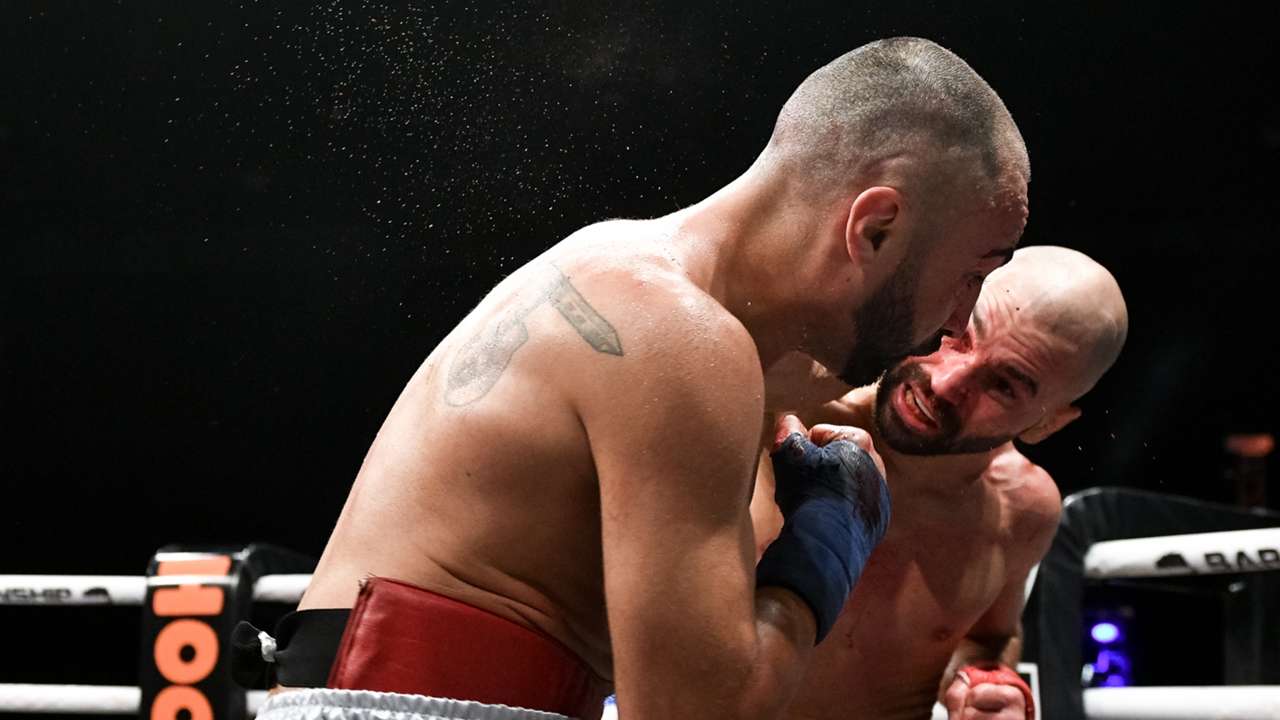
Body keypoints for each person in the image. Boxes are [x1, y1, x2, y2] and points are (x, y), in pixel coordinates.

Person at [250, 37, 1030, 720]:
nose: (960, 318)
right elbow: (700, 713)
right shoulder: (678, 335)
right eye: (973, 273)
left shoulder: (649, 291)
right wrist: (827, 544)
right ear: (876, 227)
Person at [751, 246, 1128, 720]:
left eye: (1005, 384)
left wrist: (988, 686)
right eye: (959, 335)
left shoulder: (1021, 510)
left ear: (1047, 422)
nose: (945, 384)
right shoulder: (774, 407)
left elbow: (987, 639)